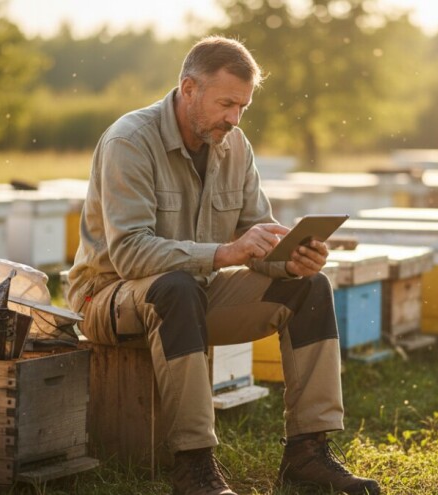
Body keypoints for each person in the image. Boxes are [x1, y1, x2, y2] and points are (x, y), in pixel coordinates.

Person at [66, 36, 381, 495]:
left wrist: (291, 260)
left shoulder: (235, 146)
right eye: (227, 104)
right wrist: (224, 253)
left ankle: (308, 452)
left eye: (243, 107)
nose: (234, 118)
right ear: (188, 89)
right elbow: (129, 254)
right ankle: (194, 467)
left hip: (192, 294)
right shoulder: (128, 141)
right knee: (177, 287)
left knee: (311, 288)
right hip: (107, 297)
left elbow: (257, 235)